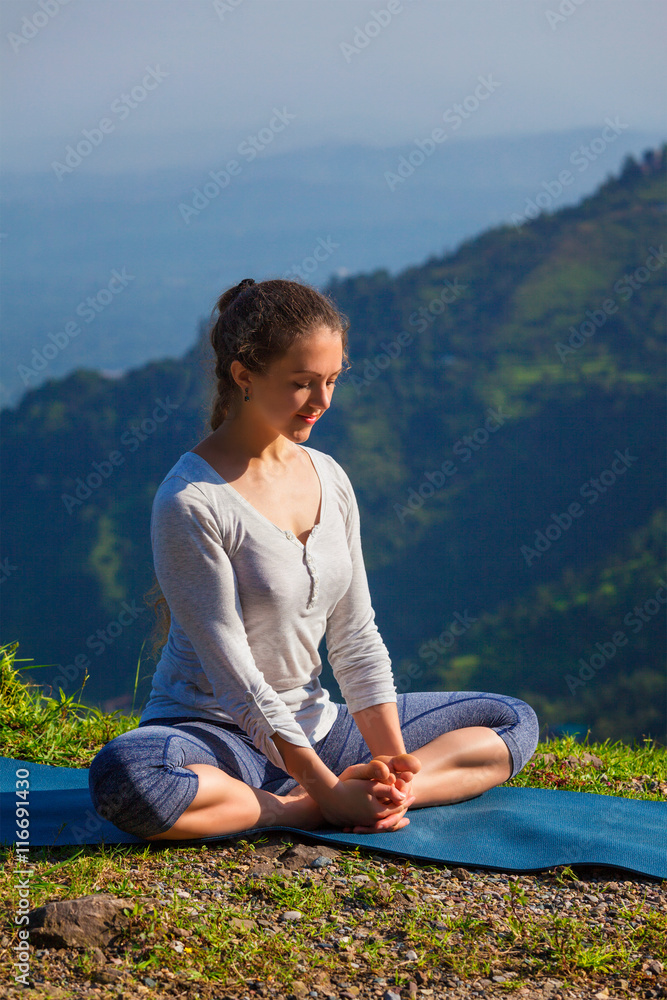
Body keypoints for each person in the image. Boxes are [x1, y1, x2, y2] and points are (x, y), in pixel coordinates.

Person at [88, 277, 539, 842]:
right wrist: (324, 794)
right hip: (218, 735)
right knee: (130, 778)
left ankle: (379, 799)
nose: (322, 402)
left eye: (331, 380)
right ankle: (292, 809)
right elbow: (239, 684)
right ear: (243, 375)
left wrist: (394, 769)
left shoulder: (329, 476)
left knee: (511, 720)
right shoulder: (190, 501)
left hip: (319, 725)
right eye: (302, 384)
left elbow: (356, 637)